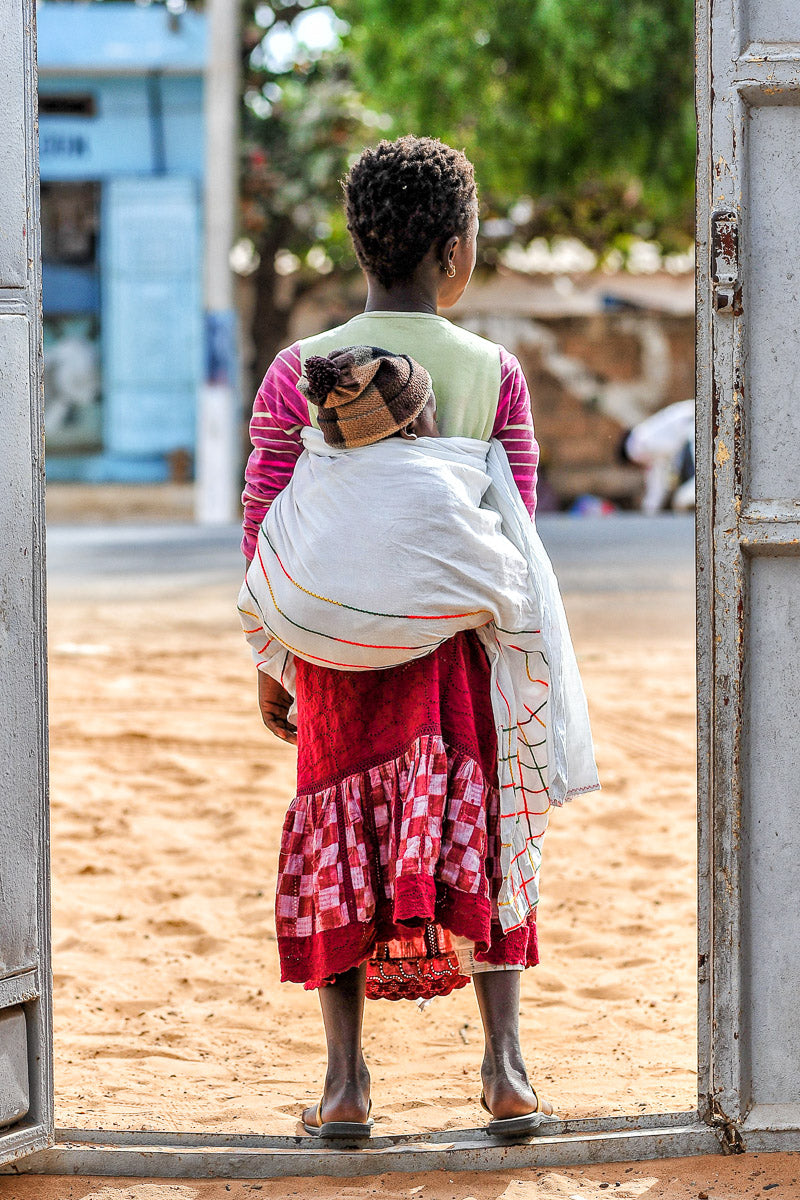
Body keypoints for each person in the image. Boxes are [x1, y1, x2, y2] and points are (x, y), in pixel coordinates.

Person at [240, 136, 595, 1140]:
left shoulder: (297, 369)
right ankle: (507, 1071)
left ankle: (346, 1086)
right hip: (457, 662)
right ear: (455, 251)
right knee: (484, 840)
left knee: (336, 834)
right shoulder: (494, 372)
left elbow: (266, 518)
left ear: (358, 245)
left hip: (336, 663)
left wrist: (270, 662)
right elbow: (511, 523)